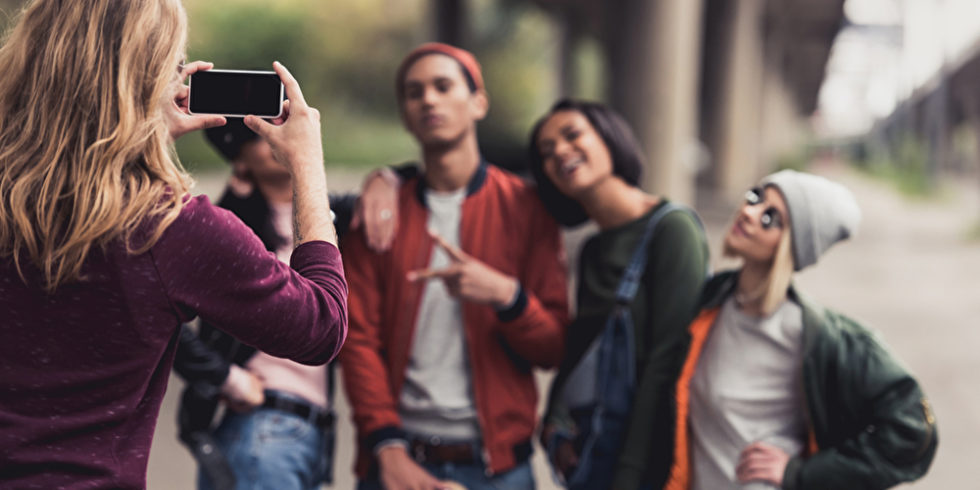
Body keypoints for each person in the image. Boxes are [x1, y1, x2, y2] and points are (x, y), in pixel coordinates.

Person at [0, 0, 347, 488]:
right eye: (175, 65)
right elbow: (321, 326)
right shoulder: (170, 228)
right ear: (145, 80)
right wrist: (308, 167)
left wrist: (146, 137)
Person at [340, 42, 570, 490]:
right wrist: (387, 448)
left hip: (500, 468)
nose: (429, 99)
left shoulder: (528, 210)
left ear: (478, 102)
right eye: (414, 92)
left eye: (443, 87)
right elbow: (357, 340)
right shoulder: (379, 214)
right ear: (405, 113)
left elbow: (553, 348)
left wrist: (508, 297)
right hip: (399, 461)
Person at [663, 170, 938, 489]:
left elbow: (913, 431)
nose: (749, 212)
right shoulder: (708, 303)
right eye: (756, 196)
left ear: (791, 245)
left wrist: (804, 474)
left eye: (771, 218)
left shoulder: (819, 337)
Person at [172, 120, 405, 490]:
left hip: (316, 434)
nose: (273, 139)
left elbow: (417, 178)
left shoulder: (335, 220)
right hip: (261, 426)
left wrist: (385, 176)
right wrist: (224, 377)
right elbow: (163, 311)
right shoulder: (228, 229)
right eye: (257, 136)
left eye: (278, 127)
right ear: (241, 162)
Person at [529, 99, 710, 489]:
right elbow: (581, 342)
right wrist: (554, 418)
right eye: (547, 152)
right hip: (591, 453)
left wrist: (630, 474)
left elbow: (669, 362)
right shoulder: (594, 249)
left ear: (609, 138)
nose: (560, 151)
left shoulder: (673, 229)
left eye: (573, 135)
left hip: (646, 462)